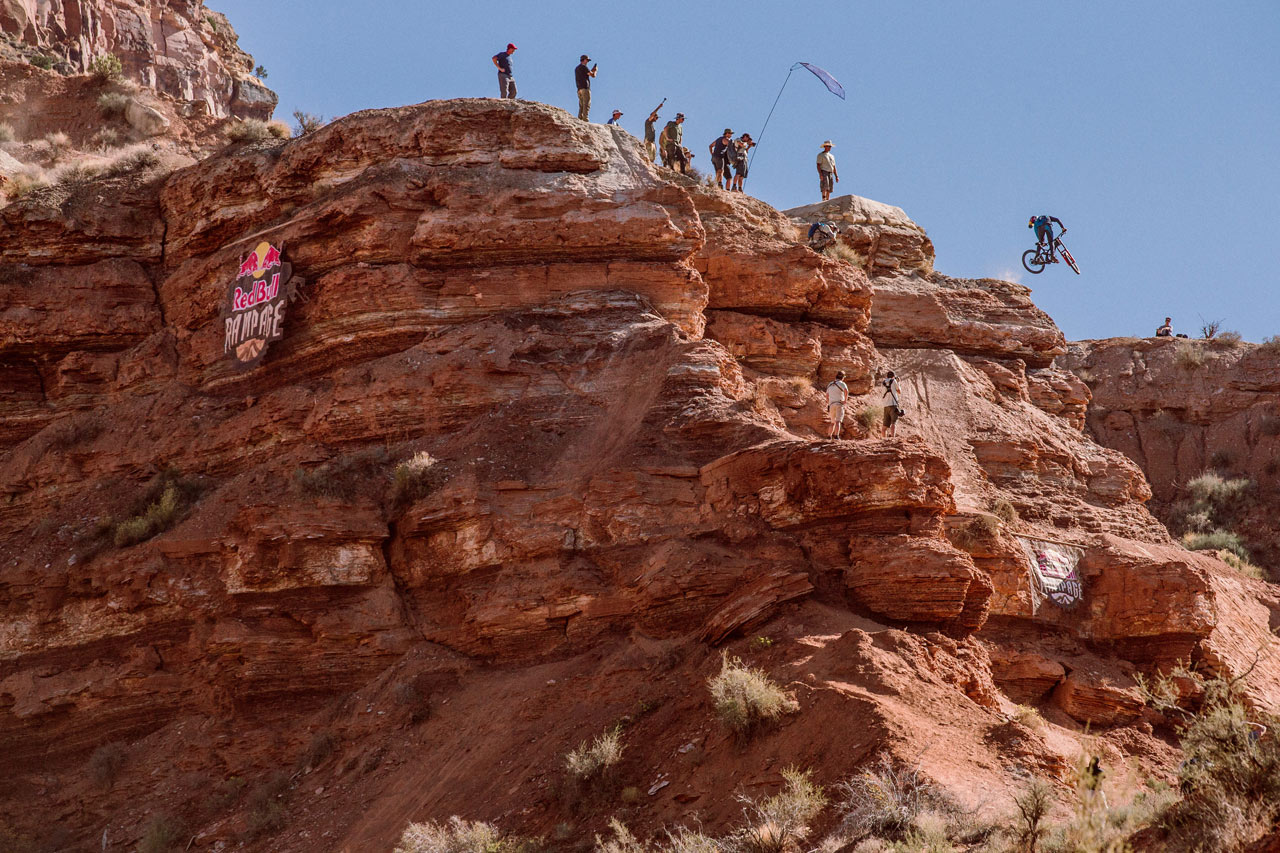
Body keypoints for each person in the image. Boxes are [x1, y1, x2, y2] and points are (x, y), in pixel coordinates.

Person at [826, 370, 849, 439]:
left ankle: (829, 436)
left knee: (832, 422)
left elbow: (827, 395)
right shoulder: (842, 384)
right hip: (839, 403)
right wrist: (845, 400)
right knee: (838, 421)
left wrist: (828, 403)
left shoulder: (830, 384)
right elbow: (846, 391)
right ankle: (836, 436)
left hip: (831, 404)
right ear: (842, 377)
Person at [574, 55, 597, 121]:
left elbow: (587, 73)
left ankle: (580, 118)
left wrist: (592, 70)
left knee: (581, 105)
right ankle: (585, 119)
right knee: (586, 104)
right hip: (585, 88)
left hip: (579, 89)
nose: (587, 62)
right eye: (587, 60)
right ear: (584, 60)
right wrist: (595, 70)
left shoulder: (577, 68)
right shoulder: (584, 67)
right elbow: (593, 75)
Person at [880, 370, 902, 437]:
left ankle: (884, 439)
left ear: (887, 376)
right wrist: (898, 383)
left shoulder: (883, 382)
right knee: (893, 423)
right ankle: (893, 438)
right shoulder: (893, 381)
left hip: (886, 405)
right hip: (893, 404)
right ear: (893, 376)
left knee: (884, 426)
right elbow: (899, 391)